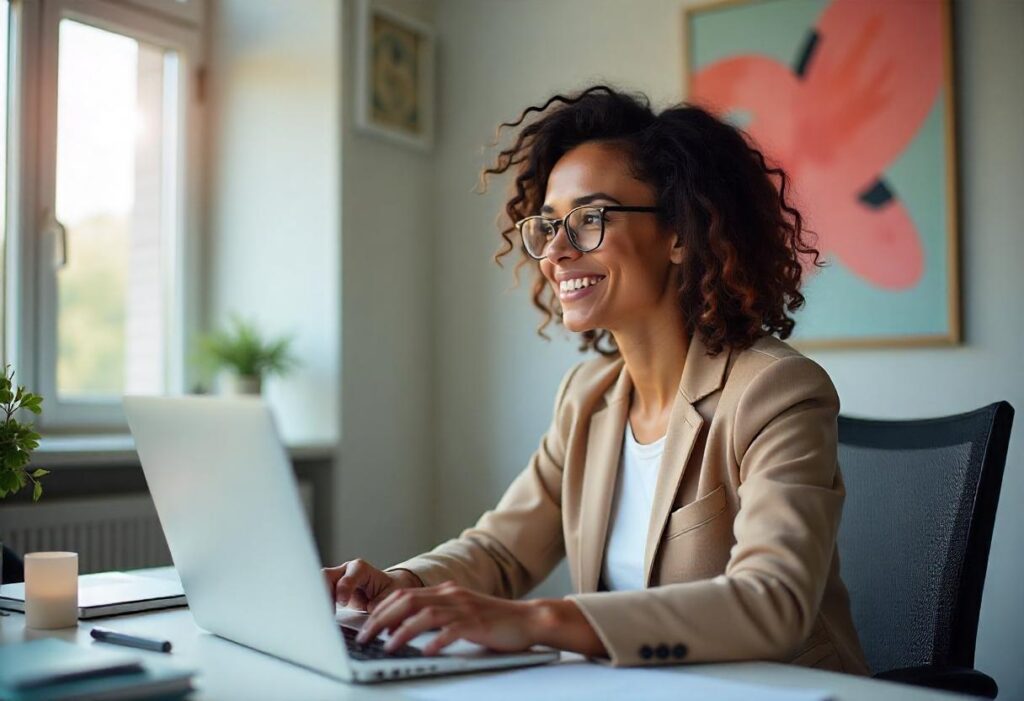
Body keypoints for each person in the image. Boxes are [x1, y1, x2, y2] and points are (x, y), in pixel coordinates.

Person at [323, 84, 871, 676]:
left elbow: (774, 602)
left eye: (587, 219)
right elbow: (504, 549)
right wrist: (399, 584)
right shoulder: (588, 398)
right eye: (549, 225)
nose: (555, 250)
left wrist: (539, 621)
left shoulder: (776, 390)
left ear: (681, 234)